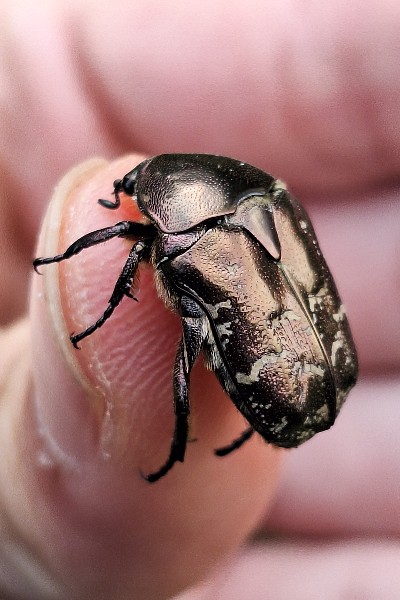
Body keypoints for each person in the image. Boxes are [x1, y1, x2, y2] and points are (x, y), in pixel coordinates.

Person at [1, 2, 399, 598]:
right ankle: (186, 442)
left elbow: (123, 244)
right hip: (324, 372)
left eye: (138, 190)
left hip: (287, 395)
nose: (127, 194)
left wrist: (98, 301)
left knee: (178, 366)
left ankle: (178, 445)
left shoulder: (184, 243)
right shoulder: (268, 199)